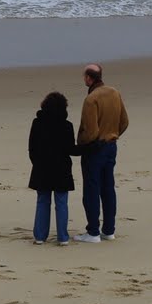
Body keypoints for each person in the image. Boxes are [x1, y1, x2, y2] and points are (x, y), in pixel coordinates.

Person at [74, 63, 128, 243]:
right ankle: (109, 229)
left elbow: (90, 132)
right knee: (108, 188)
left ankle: (93, 231)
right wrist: (113, 134)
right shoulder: (114, 92)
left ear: (89, 78)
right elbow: (124, 122)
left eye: (85, 76)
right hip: (111, 146)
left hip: (95, 149)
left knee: (91, 189)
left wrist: (80, 143)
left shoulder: (91, 100)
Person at [27, 90, 75, 245]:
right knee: (61, 203)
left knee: (42, 201)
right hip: (61, 169)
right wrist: (89, 147)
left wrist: (36, 163)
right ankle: (62, 237)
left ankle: (40, 237)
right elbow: (71, 150)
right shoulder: (67, 126)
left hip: (42, 168)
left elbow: (32, 148)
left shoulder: (37, 123)